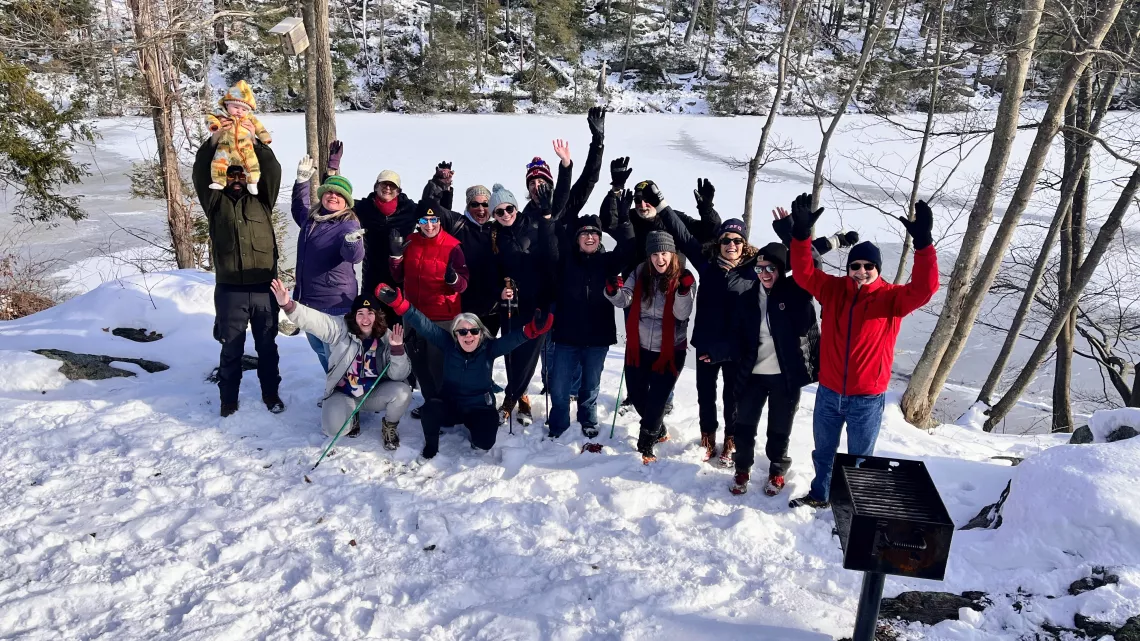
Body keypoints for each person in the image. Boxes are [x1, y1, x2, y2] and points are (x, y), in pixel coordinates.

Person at [784, 194, 939, 508]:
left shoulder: (892, 298)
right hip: (829, 392)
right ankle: (820, 495)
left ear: (878, 269)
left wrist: (923, 245)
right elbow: (804, 274)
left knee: (860, 459)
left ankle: (851, 507)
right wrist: (800, 238)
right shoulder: (833, 290)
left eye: (869, 266)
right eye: (856, 265)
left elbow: (925, 288)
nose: (862, 270)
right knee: (823, 453)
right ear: (849, 267)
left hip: (867, 397)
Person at [376, 284, 554, 459]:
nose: (468, 335)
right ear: (455, 334)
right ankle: (431, 444)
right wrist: (400, 304)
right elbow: (423, 324)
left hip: (478, 407)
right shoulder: (448, 344)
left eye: (473, 331)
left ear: (480, 333)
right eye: (462, 332)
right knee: (429, 408)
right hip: (451, 405)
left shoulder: (489, 348)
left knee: (485, 440)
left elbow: (512, 339)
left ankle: (476, 433)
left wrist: (532, 330)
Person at [658, 179, 754, 467]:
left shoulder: (753, 272)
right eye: (726, 240)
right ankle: (708, 437)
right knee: (706, 396)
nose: (731, 245)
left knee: (733, 399)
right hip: (706, 345)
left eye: (737, 241)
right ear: (720, 243)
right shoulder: (708, 265)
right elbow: (683, 235)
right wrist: (661, 203)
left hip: (736, 348)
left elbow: (787, 258)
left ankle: (732, 441)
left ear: (744, 244)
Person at [192, 128, 283, 418]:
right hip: (230, 290)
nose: (236, 180)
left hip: (264, 288)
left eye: (241, 175)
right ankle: (228, 400)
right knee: (230, 348)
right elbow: (199, 173)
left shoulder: (262, 200)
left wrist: (255, 142)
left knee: (267, 347)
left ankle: (271, 395)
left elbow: (272, 170)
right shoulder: (215, 203)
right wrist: (213, 143)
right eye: (231, 175)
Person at [726, 242, 820, 496]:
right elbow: (735, 335)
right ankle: (742, 468)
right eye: (759, 268)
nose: (765, 273)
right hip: (752, 375)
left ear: (782, 269)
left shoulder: (795, 293)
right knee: (744, 425)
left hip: (784, 376)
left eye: (771, 268)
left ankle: (777, 471)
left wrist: (794, 233)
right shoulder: (746, 298)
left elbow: (813, 265)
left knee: (780, 428)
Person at [271, 281, 413, 449]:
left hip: (373, 393)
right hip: (345, 392)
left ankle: (389, 425)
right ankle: (351, 416)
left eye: (370, 313)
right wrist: (288, 305)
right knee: (333, 429)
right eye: (360, 313)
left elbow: (399, 375)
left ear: (377, 315)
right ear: (354, 315)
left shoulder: (386, 337)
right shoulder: (340, 329)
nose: (365, 319)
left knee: (402, 392)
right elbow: (315, 321)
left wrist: (397, 350)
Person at [606, 231, 695, 464]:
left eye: (664, 253)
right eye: (655, 254)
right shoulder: (640, 272)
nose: (659, 259)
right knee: (637, 395)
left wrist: (684, 292)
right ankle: (660, 429)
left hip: (670, 351)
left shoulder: (683, 276)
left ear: (672, 254)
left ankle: (645, 445)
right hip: (640, 346)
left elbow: (681, 313)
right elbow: (625, 299)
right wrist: (613, 291)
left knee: (656, 400)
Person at [547, 207, 635, 439]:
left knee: (590, 384)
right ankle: (558, 423)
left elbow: (629, 247)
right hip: (566, 335)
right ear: (577, 239)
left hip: (598, 337)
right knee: (558, 385)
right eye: (584, 233)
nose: (589, 237)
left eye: (594, 233)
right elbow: (554, 234)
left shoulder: (608, 262)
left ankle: (588, 419)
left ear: (599, 238)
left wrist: (624, 220)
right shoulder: (565, 260)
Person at [388, 200, 470, 413]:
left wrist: (453, 278)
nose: (430, 225)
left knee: (438, 366)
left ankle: (444, 406)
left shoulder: (453, 246)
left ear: (440, 220)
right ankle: (430, 403)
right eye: (425, 220)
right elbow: (398, 276)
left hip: (441, 317)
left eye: (434, 220)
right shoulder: (411, 241)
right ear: (418, 222)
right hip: (413, 314)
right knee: (418, 362)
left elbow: (463, 285)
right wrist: (396, 256)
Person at [325, 142, 419, 323]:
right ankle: (369, 350)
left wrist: (442, 187)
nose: (387, 188)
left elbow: (437, 214)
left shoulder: (410, 210)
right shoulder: (363, 208)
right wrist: (332, 169)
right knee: (371, 320)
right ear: (375, 186)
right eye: (384, 184)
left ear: (399, 191)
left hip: (401, 275)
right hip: (372, 274)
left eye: (392, 186)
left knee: (398, 322)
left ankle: (397, 349)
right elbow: (335, 197)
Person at [490, 182, 557, 426]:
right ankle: (521, 397)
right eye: (499, 211)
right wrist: (500, 290)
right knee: (512, 352)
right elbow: (491, 272)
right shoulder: (494, 236)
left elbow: (551, 258)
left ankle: (512, 397)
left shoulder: (535, 226)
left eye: (509, 208)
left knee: (530, 353)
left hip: (538, 301)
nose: (506, 214)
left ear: (516, 208)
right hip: (511, 304)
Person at [291, 157, 364, 372]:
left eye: (339, 194)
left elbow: (356, 256)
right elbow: (298, 207)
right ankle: (334, 389)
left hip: (334, 303)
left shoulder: (347, 224)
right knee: (320, 350)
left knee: (338, 353)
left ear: (346, 201)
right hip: (308, 300)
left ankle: (348, 397)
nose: (334, 196)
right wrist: (302, 182)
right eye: (330, 191)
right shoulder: (313, 219)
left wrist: (353, 243)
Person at [205, 80, 272, 194]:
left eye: (244, 109)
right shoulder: (221, 114)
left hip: (246, 148)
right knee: (218, 163)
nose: (239, 111)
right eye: (236, 107)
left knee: (252, 164)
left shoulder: (249, 119)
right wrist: (215, 126)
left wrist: (264, 137)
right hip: (225, 147)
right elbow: (209, 118)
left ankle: (252, 182)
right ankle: (219, 182)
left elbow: (259, 127)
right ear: (227, 104)